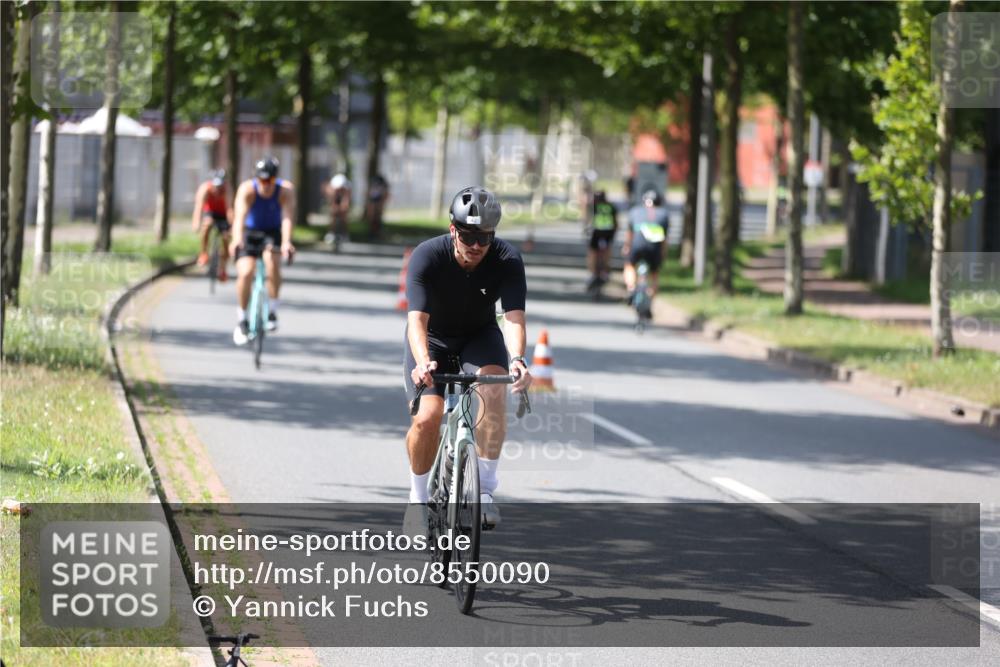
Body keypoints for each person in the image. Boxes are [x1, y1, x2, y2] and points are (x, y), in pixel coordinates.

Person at [402, 186, 532, 533]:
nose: (476, 246)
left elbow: (513, 318)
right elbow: (416, 320)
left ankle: (485, 490)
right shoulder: (427, 256)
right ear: (453, 229)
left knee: (493, 391)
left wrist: (518, 359)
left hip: (479, 336)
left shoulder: (506, 259)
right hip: (433, 342)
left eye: (485, 237)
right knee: (427, 419)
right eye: (468, 236)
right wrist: (423, 361)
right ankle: (417, 497)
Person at [229, 157, 296, 345]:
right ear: (256, 178)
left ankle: (273, 310)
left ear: (276, 179)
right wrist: (236, 240)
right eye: (262, 180)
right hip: (250, 232)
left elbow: (287, 218)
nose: (265, 185)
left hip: (273, 232)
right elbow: (240, 217)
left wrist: (286, 242)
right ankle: (242, 319)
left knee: (272, 264)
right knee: (246, 272)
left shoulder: (286, 191)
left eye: (270, 181)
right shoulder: (247, 189)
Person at [622, 189, 669, 314]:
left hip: (637, 245)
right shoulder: (663, 214)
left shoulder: (635, 211)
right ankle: (650, 297)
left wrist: (626, 247)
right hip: (654, 248)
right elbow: (664, 239)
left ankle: (631, 288)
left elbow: (629, 235)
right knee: (654, 274)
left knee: (629, 265)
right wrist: (663, 255)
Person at [192, 169, 233, 280]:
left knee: (226, 238)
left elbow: (229, 209)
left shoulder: (227, 190)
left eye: (220, 186)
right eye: (216, 186)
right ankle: (204, 253)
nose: (217, 189)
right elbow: (199, 207)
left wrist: (231, 226)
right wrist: (196, 223)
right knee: (207, 225)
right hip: (210, 213)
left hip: (223, 214)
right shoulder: (205, 189)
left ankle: (223, 268)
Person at [587, 190, 617, 291]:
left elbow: (588, 220)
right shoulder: (611, 206)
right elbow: (616, 222)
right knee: (607, 250)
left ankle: (592, 273)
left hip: (597, 232)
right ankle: (606, 269)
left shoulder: (594, 206)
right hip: (608, 232)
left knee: (592, 252)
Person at [323, 173, 352, 247]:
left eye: (341, 189)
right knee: (333, 214)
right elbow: (332, 200)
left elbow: (346, 199)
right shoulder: (332, 187)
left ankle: (345, 234)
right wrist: (334, 207)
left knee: (344, 216)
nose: (339, 190)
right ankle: (330, 233)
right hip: (334, 197)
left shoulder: (346, 188)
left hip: (343, 196)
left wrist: (344, 206)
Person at [364, 173, 390, 239]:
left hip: (379, 200)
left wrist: (382, 201)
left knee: (378, 217)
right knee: (372, 217)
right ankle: (372, 232)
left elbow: (385, 192)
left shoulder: (382, 184)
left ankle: (377, 232)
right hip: (373, 200)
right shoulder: (372, 184)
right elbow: (368, 192)